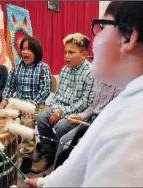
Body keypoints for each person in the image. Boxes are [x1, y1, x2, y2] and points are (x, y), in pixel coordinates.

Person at [25, 1, 143, 187]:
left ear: (129, 38)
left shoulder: (137, 130)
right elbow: (81, 158)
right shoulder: (129, 98)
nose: (94, 39)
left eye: (101, 27)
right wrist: (45, 183)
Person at [32, 33, 97, 173]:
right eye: (65, 52)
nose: (66, 56)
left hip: (78, 113)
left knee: (62, 126)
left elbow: (85, 103)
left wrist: (61, 113)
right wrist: (55, 109)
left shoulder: (91, 74)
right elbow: (58, 96)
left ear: (84, 54)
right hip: (60, 107)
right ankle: (47, 155)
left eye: (71, 52)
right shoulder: (64, 70)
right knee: (42, 117)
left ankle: (60, 160)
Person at [0, 36, 52, 173]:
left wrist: (31, 106)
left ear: (36, 51)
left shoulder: (43, 68)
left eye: (29, 49)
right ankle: (4, 152)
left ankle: (27, 157)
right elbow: (9, 87)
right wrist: (4, 100)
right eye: (23, 49)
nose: (25, 52)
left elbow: (45, 90)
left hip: (36, 104)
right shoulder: (16, 68)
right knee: (0, 118)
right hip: (17, 103)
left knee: (27, 123)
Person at [54, 82, 122, 169]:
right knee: (63, 140)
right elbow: (93, 107)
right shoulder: (102, 82)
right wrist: (80, 116)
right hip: (91, 121)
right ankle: (55, 173)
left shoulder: (119, 87)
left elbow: (113, 114)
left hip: (102, 126)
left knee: (70, 146)